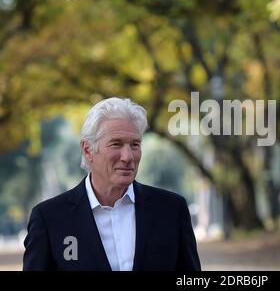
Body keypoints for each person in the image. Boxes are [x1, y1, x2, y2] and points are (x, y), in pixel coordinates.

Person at [23, 97, 201, 271]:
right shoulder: (49, 218)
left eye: (135, 144)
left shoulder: (171, 210)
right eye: (116, 144)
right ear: (88, 150)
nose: (128, 156)